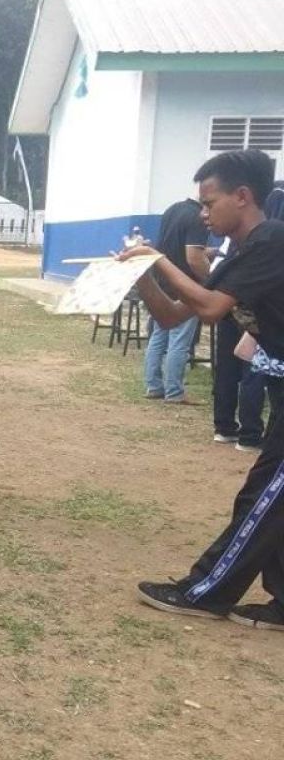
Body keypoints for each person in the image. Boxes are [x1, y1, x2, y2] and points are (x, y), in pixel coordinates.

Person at [122, 150, 284, 630]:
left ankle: (205, 591)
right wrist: (145, 276)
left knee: (262, 496)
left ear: (243, 196)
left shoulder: (272, 240)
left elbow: (211, 308)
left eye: (209, 202)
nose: (203, 213)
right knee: (273, 498)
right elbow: (175, 314)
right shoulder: (242, 252)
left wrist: (157, 258)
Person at [211, 237, 279, 451]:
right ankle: (249, 434)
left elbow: (212, 271)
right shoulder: (266, 242)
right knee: (254, 369)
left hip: (228, 306)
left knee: (228, 367)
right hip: (254, 309)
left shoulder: (233, 242)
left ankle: (224, 427)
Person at [142, 198, 209, 404]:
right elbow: (193, 258)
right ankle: (174, 392)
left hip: (163, 281)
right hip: (185, 286)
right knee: (179, 341)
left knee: (159, 336)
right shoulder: (199, 217)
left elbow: (174, 246)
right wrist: (211, 280)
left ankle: (153, 386)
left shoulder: (173, 209)